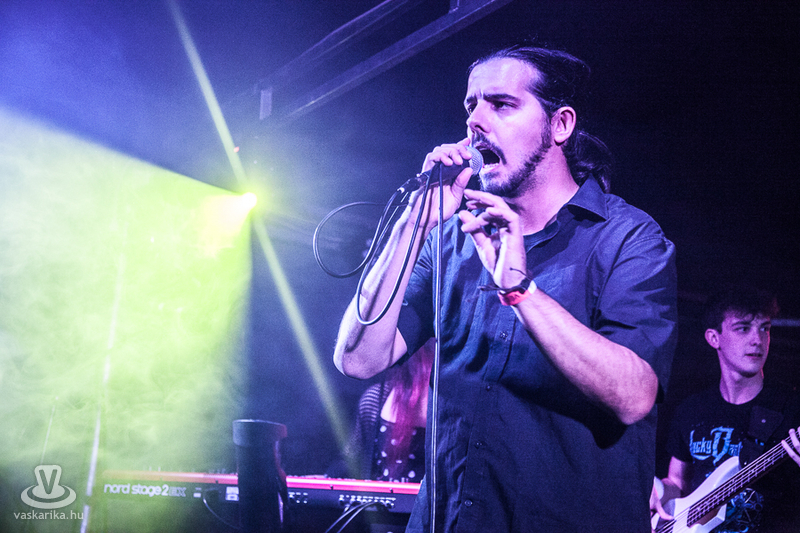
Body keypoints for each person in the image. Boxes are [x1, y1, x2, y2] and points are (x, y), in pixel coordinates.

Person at [334, 44, 678, 532]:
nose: (475, 121)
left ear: (560, 125)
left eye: (501, 104)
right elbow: (358, 359)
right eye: (471, 105)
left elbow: (633, 396)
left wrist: (520, 290)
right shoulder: (450, 239)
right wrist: (415, 223)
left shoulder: (628, 238)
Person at [652, 287, 800, 532]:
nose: (757, 340)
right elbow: (677, 481)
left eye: (764, 328)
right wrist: (657, 490)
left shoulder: (792, 407)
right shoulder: (691, 410)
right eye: (743, 328)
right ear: (714, 338)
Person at [328, 340, 434, 482]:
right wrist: (323, 481)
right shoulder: (376, 399)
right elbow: (351, 458)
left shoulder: (457, 404)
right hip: (379, 496)